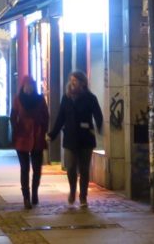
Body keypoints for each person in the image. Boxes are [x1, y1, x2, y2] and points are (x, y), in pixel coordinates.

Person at [48, 70, 103, 206]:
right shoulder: (66, 98)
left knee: (84, 169)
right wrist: (52, 134)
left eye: (75, 80)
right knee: (71, 167)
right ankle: (73, 190)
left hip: (86, 139)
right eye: (71, 80)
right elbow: (61, 117)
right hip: (70, 138)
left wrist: (97, 128)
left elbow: (98, 116)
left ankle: (83, 196)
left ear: (82, 83)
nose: (72, 83)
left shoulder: (91, 98)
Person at [10, 75, 50, 209]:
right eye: (27, 86)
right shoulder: (18, 99)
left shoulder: (40, 99)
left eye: (31, 86)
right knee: (25, 168)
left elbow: (46, 116)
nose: (29, 88)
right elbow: (13, 116)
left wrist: (43, 130)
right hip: (22, 138)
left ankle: (35, 193)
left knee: (37, 169)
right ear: (23, 87)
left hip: (37, 137)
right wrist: (16, 130)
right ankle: (26, 196)